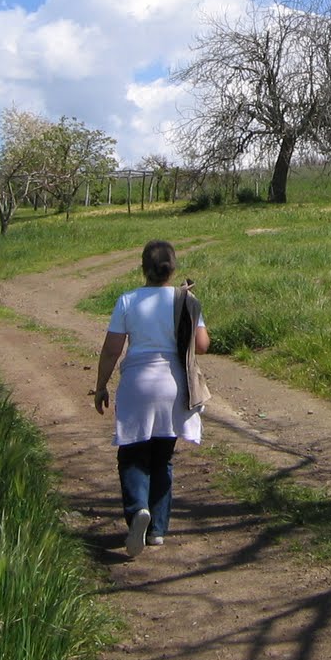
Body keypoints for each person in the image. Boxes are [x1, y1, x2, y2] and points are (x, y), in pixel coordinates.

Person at [93, 239, 209, 557]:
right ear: (172, 269)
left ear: (143, 268)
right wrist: (189, 309)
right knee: (162, 457)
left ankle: (137, 512)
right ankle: (157, 529)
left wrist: (101, 385)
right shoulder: (186, 300)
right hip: (174, 387)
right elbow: (201, 345)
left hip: (137, 387)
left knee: (132, 455)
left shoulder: (128, 301)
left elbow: (112, 349)